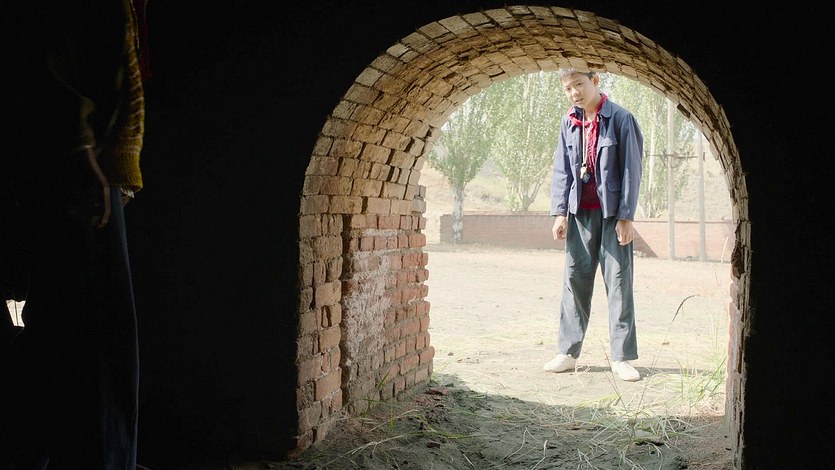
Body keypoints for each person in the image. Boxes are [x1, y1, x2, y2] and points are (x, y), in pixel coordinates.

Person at [0, 0, 147, 467]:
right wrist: (79, 154)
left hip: (82, 163)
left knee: (64, 339)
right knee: (98, 351)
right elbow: (45, 50)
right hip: (70, 165)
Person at [544, 68, 644, 382]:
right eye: (568, 88)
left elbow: (631, 170)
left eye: (579, 84)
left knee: (619, 283)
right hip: (579, 215)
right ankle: (568, 352)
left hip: (613, 215)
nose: (574, 92)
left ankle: (622, 358)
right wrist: (560, 213)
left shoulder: (622, 119)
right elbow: (562, 169)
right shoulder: (568, 122)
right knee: (574, 281)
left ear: (595, 81)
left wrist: (626, 217)